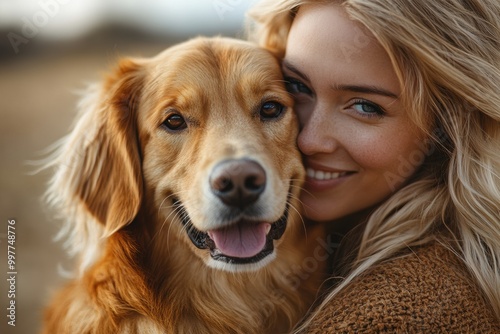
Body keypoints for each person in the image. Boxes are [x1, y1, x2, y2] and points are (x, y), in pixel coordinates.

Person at [246, 0, 500, 332]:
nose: (309, 140)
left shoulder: (403, 314)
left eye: (365, 106)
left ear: (448, 128)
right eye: (297, 87)